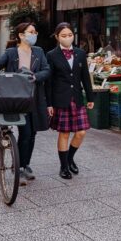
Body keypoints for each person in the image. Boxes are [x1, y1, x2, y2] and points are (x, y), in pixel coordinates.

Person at [0, 22, 50, 184]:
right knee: (25, 133)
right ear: (21, 35)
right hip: (15, 98)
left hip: (34, 97)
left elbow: (46, 70)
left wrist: (35, 77)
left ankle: (26, 165)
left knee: (32, 134)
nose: (34, 35)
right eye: (31, 32)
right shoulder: (11, 53)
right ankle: (20, 168)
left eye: (35, 32)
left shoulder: (39, 52)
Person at [45, 22, 94, 180]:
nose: (67, 38)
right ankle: (64, 166)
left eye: (70, 35)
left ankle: (70, 158)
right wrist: (49, 103)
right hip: (60, 98)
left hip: (77, 98)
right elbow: (49, 82)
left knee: (81, 132)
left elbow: (85, 77)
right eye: (64, 35)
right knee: (64, 133)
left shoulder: (80, 53)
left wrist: (90, 97)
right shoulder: (51, 55)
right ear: (57, 37)